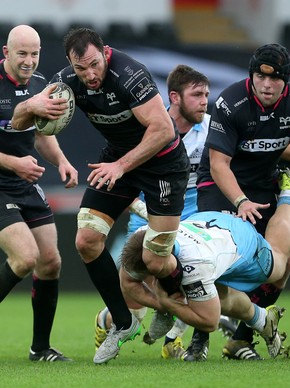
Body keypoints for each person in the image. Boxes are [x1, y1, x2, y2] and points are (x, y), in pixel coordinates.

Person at [12, 27, 190, 365]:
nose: (90, 75)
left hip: (163, 165)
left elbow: (164, 129)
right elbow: (22, 123)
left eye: (95, 64)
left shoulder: (130, 74)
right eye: (81, 68)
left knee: (155, 260)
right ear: (70, 64)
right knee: (86, 241)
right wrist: (31, 105)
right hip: (117, 161)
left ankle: (173, 303)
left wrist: (121, 166)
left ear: (105, 52)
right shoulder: (66, 83)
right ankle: (122, 322)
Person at [94, 64, 211, 360]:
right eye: (196, 94)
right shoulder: (146, 130)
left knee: (196, 281)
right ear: (174, 97)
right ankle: (105, 321)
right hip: (146, 219)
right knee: (136, 310)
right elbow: (122, 177)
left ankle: (174, 340)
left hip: (192, 222)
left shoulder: (211, 129)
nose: (204, 101)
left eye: (206, 95)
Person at [119, 170, 290, 360]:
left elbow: (209, 321)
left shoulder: (196, 264)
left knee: (280, 261)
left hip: (244, 242)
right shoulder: (147, 236)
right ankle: (262, 319)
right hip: (209, 223)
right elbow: (128, 282)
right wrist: (161, 303)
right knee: (219, 296)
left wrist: (168, 304)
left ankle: (289, 193)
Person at [193, 43, 290, 361]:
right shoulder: (231, 102)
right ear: (251, 75)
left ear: (285, 80)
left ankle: (241, 338)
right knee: (216, 262)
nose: (266, 85)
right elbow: (219, 164)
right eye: (259, 77)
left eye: (275, 79)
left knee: (284, 264)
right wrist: (240, 201)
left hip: (264, 185)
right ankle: (200, 339)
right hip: (222, 186)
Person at [0, 25, 78, 361]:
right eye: (22, 54)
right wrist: (15, 164)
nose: (29, 61)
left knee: (50, 262)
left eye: (35, 53)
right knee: (24, 257)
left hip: (23, 183)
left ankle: (40, 348)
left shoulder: (40, 84)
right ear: (6, 53)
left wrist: (62, 161)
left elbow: (41, 134)